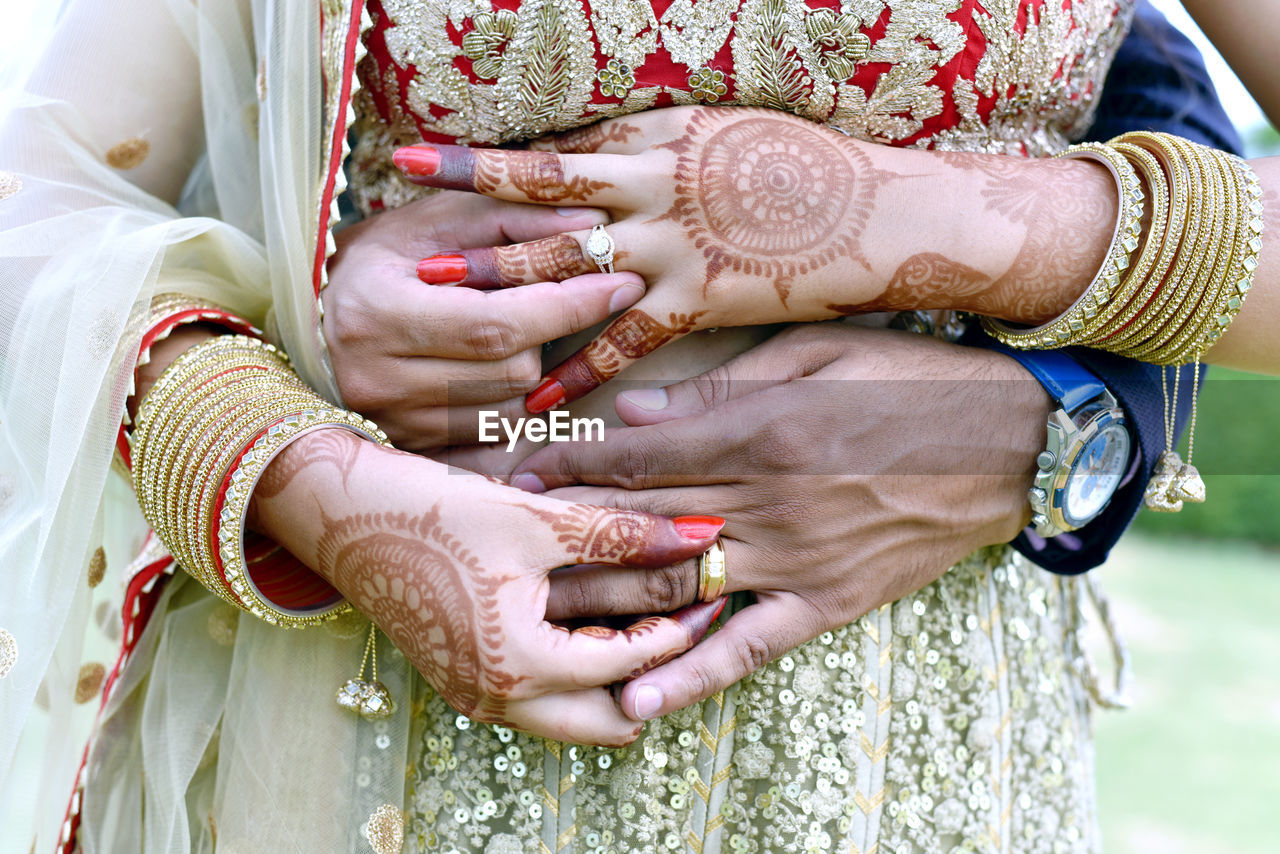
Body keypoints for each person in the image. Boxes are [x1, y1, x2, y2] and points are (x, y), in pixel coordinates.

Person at [0, 3, 1250, 854]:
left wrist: (918, 218)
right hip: (377, 709)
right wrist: (295, 467)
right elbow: (35, 192)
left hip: (917, 747)